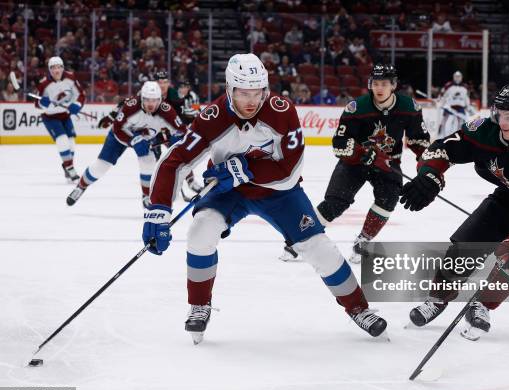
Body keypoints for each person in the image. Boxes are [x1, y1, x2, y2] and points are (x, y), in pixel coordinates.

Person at [141, 53, 387, 344]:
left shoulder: (282, 112)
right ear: (230, 89)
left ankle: (358, 307)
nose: (250, 101)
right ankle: (199, 305)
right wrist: (157, 212)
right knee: (200, 231)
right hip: (227, 191)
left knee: (319, 248)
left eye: (257, 93)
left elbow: (290, 171)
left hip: (278, 192)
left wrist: (245, 169)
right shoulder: (213, 117)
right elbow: (173, 162)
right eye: (243, 93)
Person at [402, 83, 509, 340]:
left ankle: (482, 305)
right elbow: (442, 148)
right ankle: (438, 299)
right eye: (499, 112)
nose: (501, 120)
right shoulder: (484, 130)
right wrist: (430, 174)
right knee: (466, 243)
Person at [282, 64, 431, 263]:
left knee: (389, 199)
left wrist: (428, 169)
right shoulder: (357, 107)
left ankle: (363, 242)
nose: (379, 88)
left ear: (393, 86)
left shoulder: (409, 108)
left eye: (384, 84)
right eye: (375, 83)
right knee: (335, 203)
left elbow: (419, 141)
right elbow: (339, 143)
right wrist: (363, 153)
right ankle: (299, 240)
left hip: (387, 163)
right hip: (355, 162)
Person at [66, 81, 186, 207]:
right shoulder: (131, 106)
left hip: (145, 139)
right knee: (100, 167)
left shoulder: (167, 111)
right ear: (142, 98)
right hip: (120, 137)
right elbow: (117, 128)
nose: (151, 104)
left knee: (148, 161)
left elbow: (181, 132)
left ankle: (146, 196)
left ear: (160, 99)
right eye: (147, 100)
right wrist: (133, 140)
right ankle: (81, 187)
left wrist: (172, 140)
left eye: (155, 100)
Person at [97, 71, 203, 195]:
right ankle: (153, 185)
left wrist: (179, 125)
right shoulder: (146, 93)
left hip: (169, 131)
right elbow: (126, 103)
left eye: (165, 82)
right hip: (152, 132)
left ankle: (191, 181)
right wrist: (111, 116)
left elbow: (186, 113)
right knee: (152, 160)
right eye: (159, 82)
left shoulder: (175, 95)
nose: (162, 85)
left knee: (179, 156)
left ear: (169, 83)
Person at [35, 56, 86, 182]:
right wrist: (42, 103)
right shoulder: (43, 83)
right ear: (49, 70)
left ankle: (67, 166)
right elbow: (37, 105)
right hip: (50, 117)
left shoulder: (71, 78)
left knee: (71, 143)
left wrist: (77, 105)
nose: (56, 70)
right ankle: (70, 168)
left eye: (59, 67)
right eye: (53, 68)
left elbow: (81, 95)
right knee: (62, 140)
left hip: (65, 115)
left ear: (63, 68)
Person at [437, 71, 471, 138]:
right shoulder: (448, 85)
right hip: (450, 107)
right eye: (456, 77)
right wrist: (441, 103)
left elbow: (467, 98)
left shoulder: (465, 87)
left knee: (461, 122)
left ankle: (458, 136)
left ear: (461, 77)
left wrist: (467, 106)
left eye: (459, 77)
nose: (457, 78)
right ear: (453, 77)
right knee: (444, 120)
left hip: (460, 107)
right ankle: (443, 136)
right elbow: (443, 95)